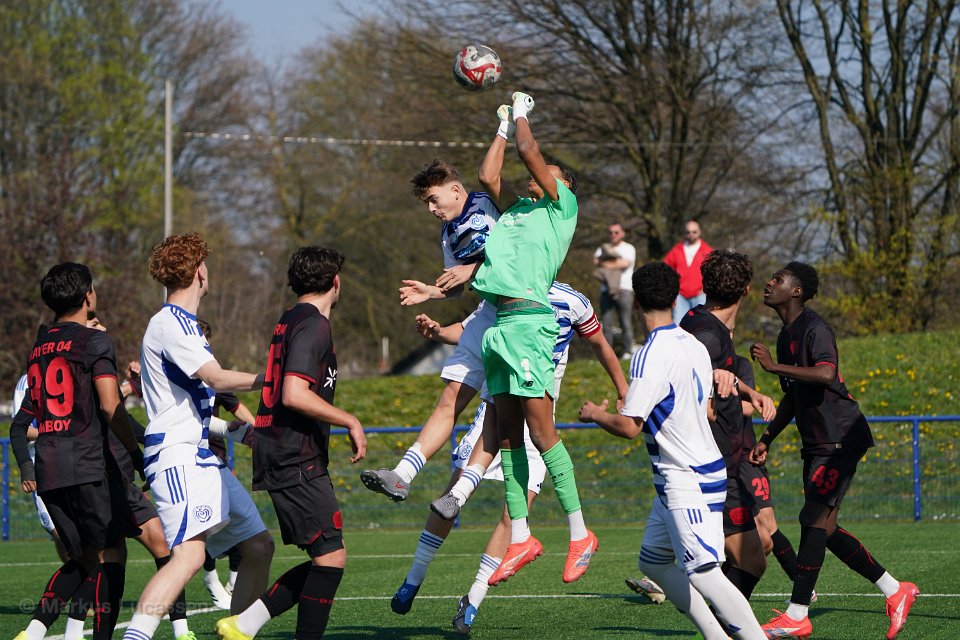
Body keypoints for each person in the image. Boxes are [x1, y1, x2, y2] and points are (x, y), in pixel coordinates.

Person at [390, 282, 627, 635]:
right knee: (451, 496)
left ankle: (473, 599)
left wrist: (624, 390)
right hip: (497, 407)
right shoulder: (503, 289)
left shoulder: (572, 301)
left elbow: (601, 345)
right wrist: (438, 329)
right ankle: (414, 576)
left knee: (513, 515)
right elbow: (471, 328)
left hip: (538, 418)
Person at [579, 262, 766, 640]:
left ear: (636, 303)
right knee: (654, 562)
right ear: (676, 298)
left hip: (687, 477)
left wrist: (595, 414)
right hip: (684, 474)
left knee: (704, 573)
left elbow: (630, 427)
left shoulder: (650, 354)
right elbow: (699, 409)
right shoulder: (692, 343)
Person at [749, 262, 919, 639]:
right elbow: (792, 397)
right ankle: (896, 590)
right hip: (819, 443)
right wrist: (766, 439)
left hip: (840, 438)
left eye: (778, 279)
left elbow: (826, 374)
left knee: (812, 519)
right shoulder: (786, 334)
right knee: (823, 528)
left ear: (796, 291)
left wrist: (774, 367)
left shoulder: (816, 328)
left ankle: (797, 614)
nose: (769, 283)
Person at [122, 233, 275, 640]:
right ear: (199, 273)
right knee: (189, 556)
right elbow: (217, 378)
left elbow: (187, 409)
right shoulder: (171, 322)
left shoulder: (183, 325)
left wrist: (233, 432)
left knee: (258, 545)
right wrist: (276, 378)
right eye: (205, 263)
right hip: (178, 458)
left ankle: (236, 632)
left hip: (201, 457)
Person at [469, 91, 595, 585]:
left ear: (563, 187)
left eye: (548, 175)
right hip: (501, 326)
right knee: (507, 437)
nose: (534, 178)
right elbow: (487, 177)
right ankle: (521, 537)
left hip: (529, 325)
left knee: (542, 434)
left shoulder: (560, 209)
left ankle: (580, 533)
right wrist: (502, 125)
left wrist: (522, 112)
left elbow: (529, 152)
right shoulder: (519, 211)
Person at [216, 246, 367, 640]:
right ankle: (244, 625)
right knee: (330, 557)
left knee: (327, 557)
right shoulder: (314, 324)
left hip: (285, 452)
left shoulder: (289, 319)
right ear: (336, 282)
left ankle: (244, 624)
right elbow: (294, 394)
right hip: (293, 455)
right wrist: (349, 420)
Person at [11, 263, 144, 640]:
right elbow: (110, 406)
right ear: (88, 296)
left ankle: (33, 631)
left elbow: (27, 419)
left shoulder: (38, 349)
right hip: (87, 464)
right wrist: (136, 454)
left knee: (84, 557)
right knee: (111, 553)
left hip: (49, 468)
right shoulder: (94, 341)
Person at [360, 158, 501, 501]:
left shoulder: (491, 204)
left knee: (510, 415)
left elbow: (518, 254)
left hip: (523, 312)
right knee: (451, 397)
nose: (431, 210)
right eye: (427, 203)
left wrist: (472, 269)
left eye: (434, 200)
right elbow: (456, 284)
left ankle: (464, 494)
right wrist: (431, 292)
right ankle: (402, 475)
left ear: (456, 190)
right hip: (488, 311)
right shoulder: (448, 232)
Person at [679, 250, 776, 603]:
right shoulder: (709, 337)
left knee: (761, 542)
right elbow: (698, 406)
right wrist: (731, 403)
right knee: (751, 560)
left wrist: (748, 391)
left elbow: (716, 378)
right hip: (713, 465)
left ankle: (713, 615)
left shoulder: (698, 320)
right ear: (747, 289)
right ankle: (717, 623)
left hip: (720, 463)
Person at [593, 222, 636, 358]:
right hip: (606, 290)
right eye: (610, 232)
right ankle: (607, 354)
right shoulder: (603, 248)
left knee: (625, 322)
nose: (613, 235)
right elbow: (596, 262)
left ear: (622, 233)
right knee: (606, 324)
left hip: (625, 290)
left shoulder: (629, 248)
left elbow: (624, 264)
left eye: (616, 232)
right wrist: (615, 262)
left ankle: (627, 351)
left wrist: (605, 263)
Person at [663, 220, 712, 324]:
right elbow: (665, 269)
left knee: (701, 325)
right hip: (680, 296)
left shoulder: (707, 250)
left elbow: (713, 272)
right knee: (678, 324)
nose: (691, 234)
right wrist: (673, 288)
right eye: (688, 232)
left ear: (699, 232)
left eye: (694, 232)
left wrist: (706, 288)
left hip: (700, 295)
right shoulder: (676, 250)